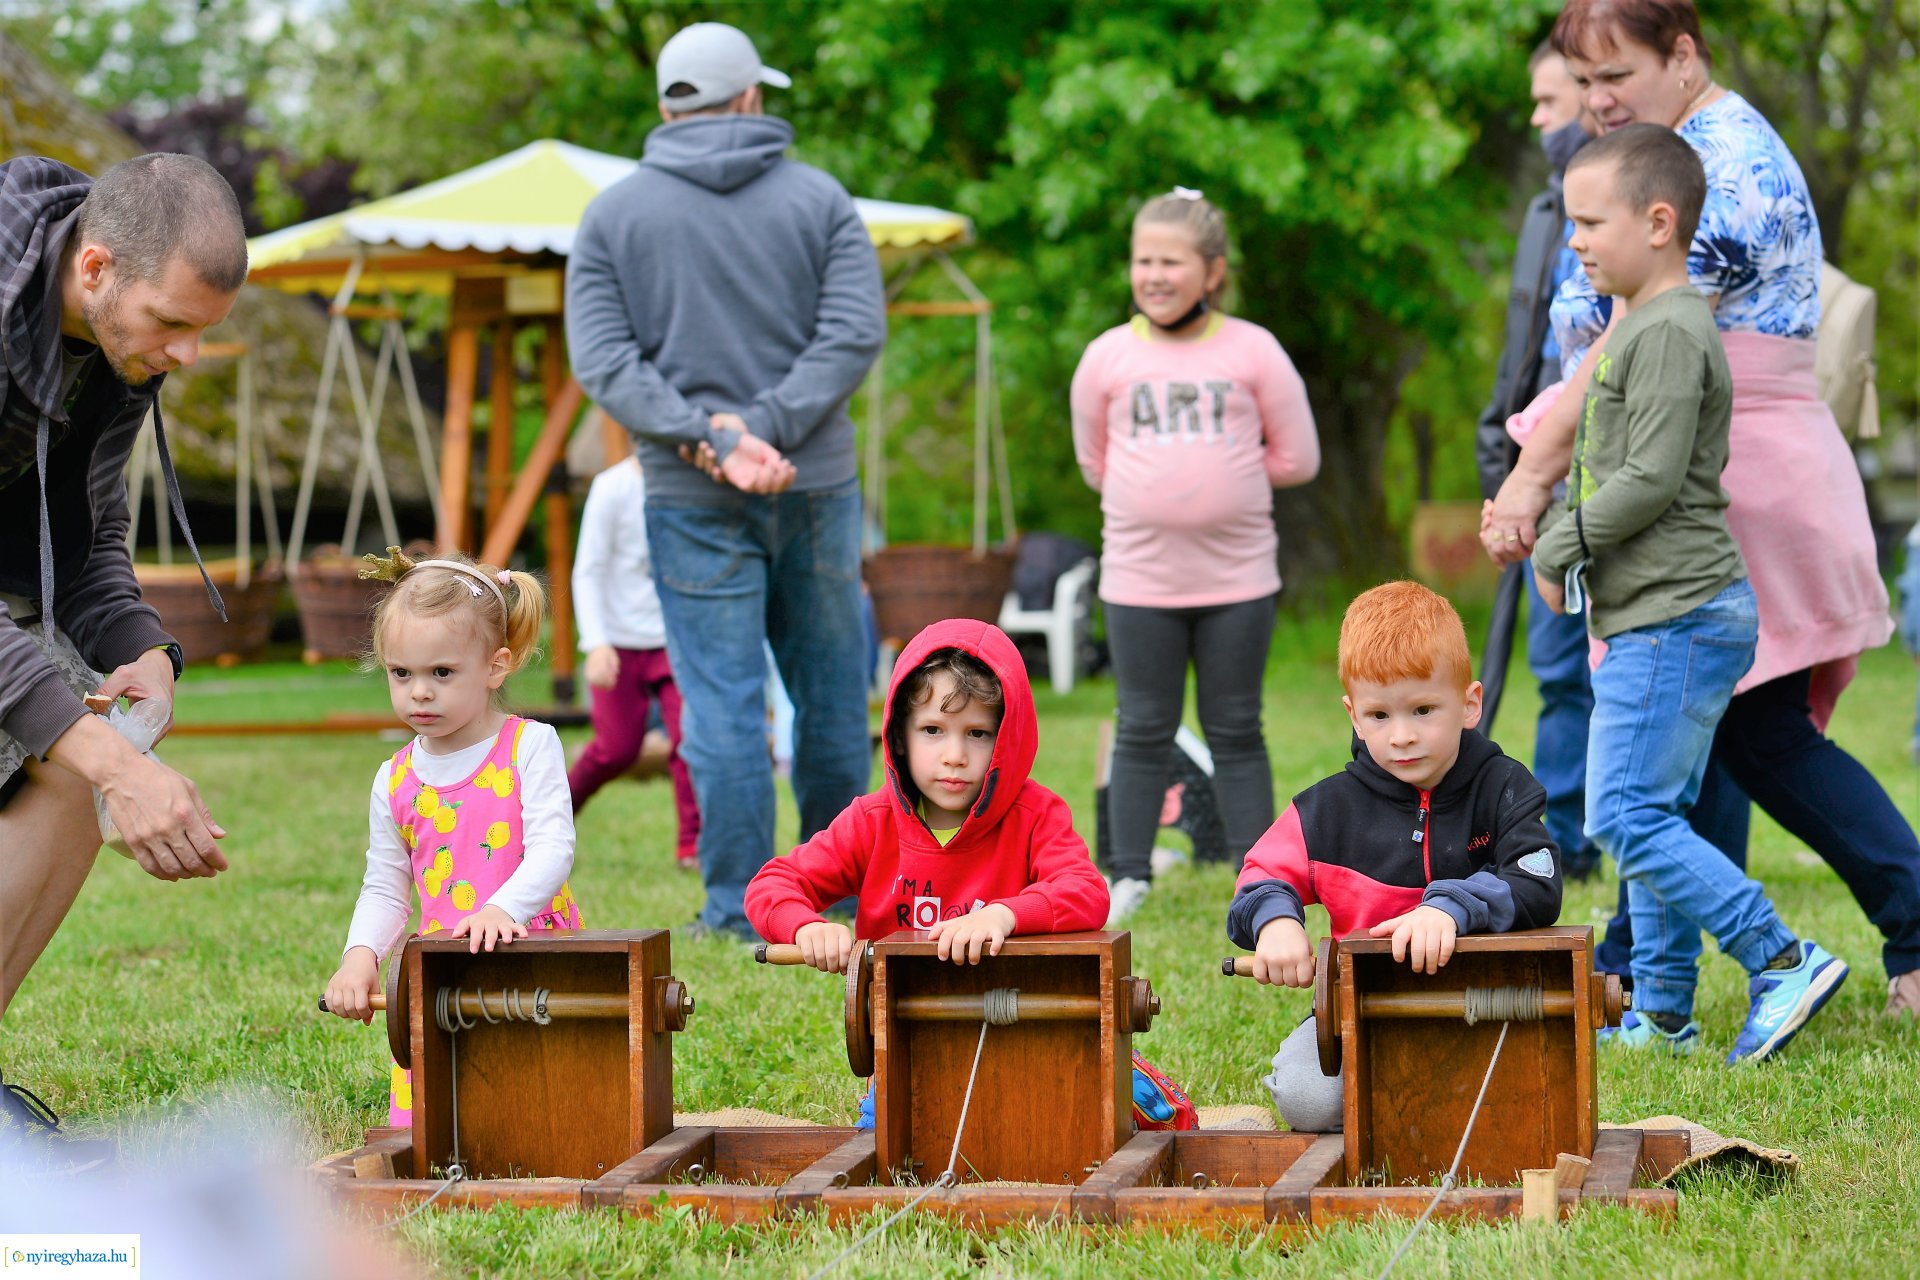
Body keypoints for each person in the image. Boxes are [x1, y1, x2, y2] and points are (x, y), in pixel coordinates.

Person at [1483, 0, 1920, 1024]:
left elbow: (1624, 346)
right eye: (1583, 81)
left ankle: (1841, 942)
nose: (1597, 101)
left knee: (1753, 735)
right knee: (1704, 738)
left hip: (1733, 480)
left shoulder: (1722, 164)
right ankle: (1651, 980)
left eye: (1617, 76)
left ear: (1682, 56)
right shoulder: (1672, 147)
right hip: (1698, 467)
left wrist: (1532, 478)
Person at [1534, 123, 1850, 1061]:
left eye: (1592, 222)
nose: (1576, 240)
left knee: (1621, 815)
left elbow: (1650, 478)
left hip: (1677, 616)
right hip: (1658, 613)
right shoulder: (1643, 324)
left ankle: (1780, 957)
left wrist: (1557, 545)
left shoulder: (1671, 330)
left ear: (1659, 223)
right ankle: (1664, 1011)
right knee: (1651, 812)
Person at [566, 21, 886, 941]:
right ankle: (837, 897)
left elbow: (605, 361)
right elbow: (853, 333)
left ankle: (742, 909)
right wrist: (766, 429)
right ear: (750, 96)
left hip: (690, 493)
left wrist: (711, 437)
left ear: (669, 106)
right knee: (830, 702)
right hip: (814, 484)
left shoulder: (612, 216)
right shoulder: (822, 199)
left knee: (718, 706)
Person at [0, 153, 246, 1151]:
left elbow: (94, 532)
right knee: (85, 751)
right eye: (172, 322)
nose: (187, 354)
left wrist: (144, 650)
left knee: (74, 761)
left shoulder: (121, 352)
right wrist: (111, 761)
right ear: (96, 266)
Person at [745, 620, 1195, 1132]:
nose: (954, 756)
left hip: (1037, 1033)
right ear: (899, 735)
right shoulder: (871, 822)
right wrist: (806, 926)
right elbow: (772, 884)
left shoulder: (1035, 815)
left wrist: (1005, 914)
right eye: (932, 730)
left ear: (1007, 739)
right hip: (910, 1045)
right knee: (888, 1144)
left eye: (977, 734)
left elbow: (1086, 891)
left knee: (1157, 1117)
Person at [1226, 581, 1564, 1132]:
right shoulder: (1326, 809)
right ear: (1354, 716)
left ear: (1470, 703)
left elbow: (1537, 880)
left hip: (1482, 1011)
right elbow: (1260, 873)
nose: (1402, 736)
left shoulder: (1505, 788)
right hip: (1362, 1015)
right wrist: (1274, 922)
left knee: (1527, 1101)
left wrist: (1450, 908)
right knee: (1310, 1101)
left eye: (1423, 709)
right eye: (1379, 715)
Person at [1070, 188, 1319, 927]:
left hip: (1238, 578)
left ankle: (1259, 880)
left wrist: (1226, 480)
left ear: (1212, 271)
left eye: (1171, 262)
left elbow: (1298, 457)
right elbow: (1095, 462)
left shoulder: (1253, 350)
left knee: (1236, 727)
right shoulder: (1107, 356)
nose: (1154, 275)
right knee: (1142, 725)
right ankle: (1128, 873)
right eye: (1143, 260)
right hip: (1139, 579)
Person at [322, 548, 584, 1126]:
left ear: (495, 667)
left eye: (441, 672)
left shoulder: (529, 746)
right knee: (439, 1123)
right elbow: (386, 887)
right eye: (401, 673)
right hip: (444, 972)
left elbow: (553, 849)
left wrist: (502, 909)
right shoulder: (394, 779)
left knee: (546, 1112)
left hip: (533, 958)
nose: (419, 691)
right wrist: (360, 956)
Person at [1475, 45, 1604, 883]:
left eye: (1550, 100)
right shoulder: (1542, 210)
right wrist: (1502, 446)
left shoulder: (1641, 197)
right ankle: (1570, 838)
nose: (1537, 117)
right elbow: (1524, 350)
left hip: (1613, 466)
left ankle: (1631, 819)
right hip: (1541, 467)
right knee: (1556, 667)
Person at [566, 451, 700, 868]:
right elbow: (588, 570)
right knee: (616, 748)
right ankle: (549, 817)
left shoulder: (690, 482)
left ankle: (692, 846)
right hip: (618, 642)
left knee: (690, 740)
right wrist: (596, 643)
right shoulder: (613, 487)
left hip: (674, 640)